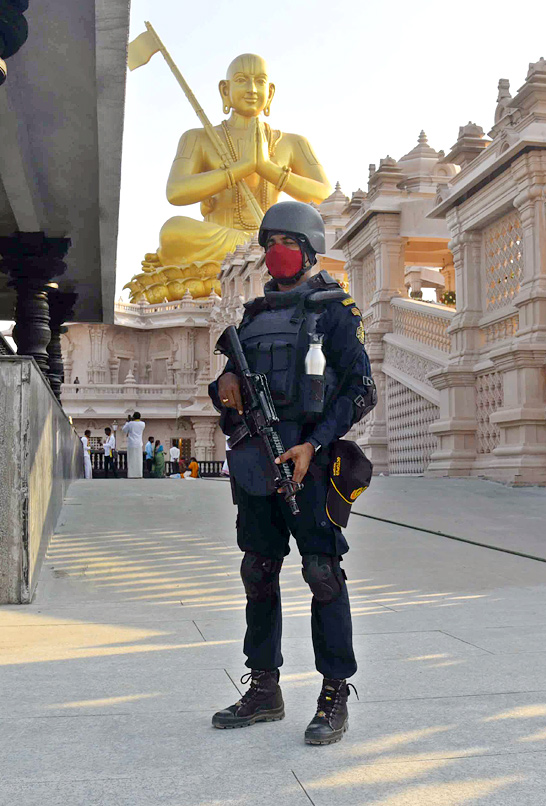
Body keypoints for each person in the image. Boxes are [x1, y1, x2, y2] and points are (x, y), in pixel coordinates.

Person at [209, 201, 376, 745]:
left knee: (322, 573)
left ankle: (334, 693)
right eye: (268, 243)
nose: (274, 252)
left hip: (312, 460)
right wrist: (224, 388)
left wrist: (314, 442)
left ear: (307, 249)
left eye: (285, 241)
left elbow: (360, 389)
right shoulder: (252, 318)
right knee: (258, 570)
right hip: (257, 461)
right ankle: (265, 688)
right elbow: (229, 388)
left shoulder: (335, 309)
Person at [122, 412, 145, 478]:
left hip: (131, 443)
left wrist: (127, 422)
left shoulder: (130, 424)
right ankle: (139, 474)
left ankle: (132, 474)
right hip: (139, 443)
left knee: (131, 459)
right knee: (138, 459)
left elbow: (124, 430)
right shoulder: (143, 424)